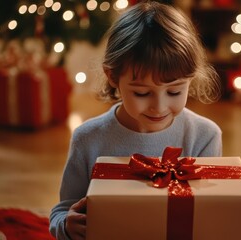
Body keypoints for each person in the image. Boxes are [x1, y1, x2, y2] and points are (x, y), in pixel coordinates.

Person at [49, 1, 222, 239]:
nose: (158, 107)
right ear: (113, 76)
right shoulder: (88, 139)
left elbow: (211, 212)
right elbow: (63, 210)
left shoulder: (205, 136)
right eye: (142, 93)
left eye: (174, 92)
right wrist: (67, 225)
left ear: (190, 79)